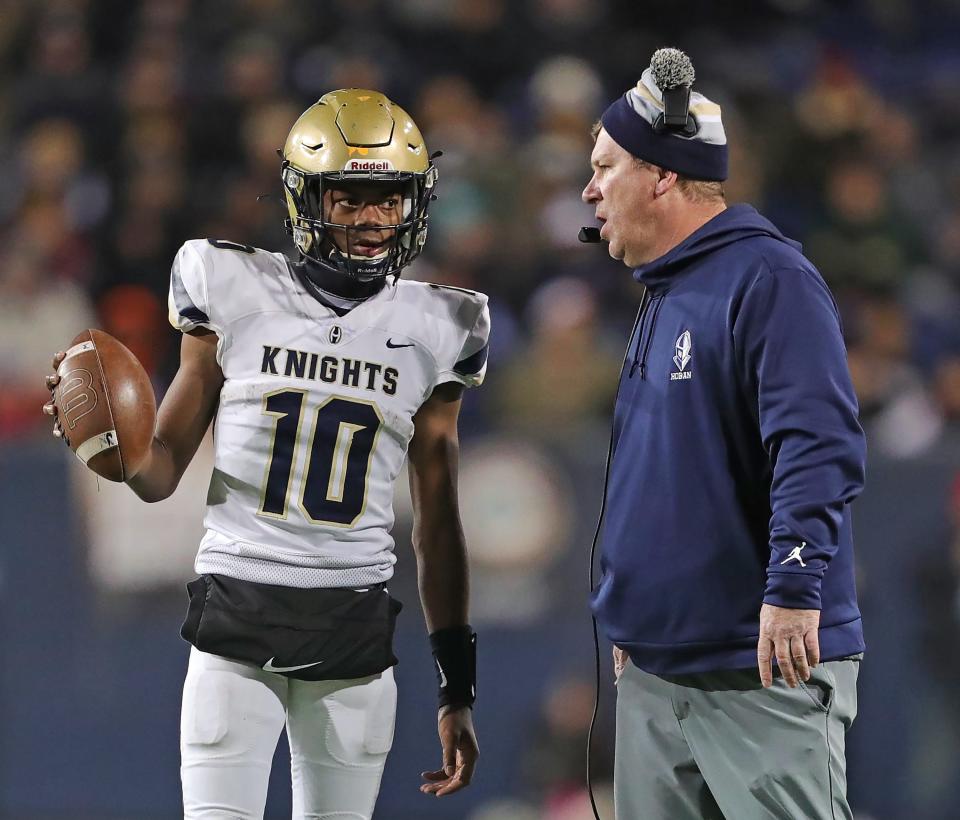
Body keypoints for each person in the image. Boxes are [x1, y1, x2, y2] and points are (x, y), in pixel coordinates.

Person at [44, 89, 486, 819]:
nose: (373, 220)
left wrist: (457, 686)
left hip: (353, 632)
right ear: (305, 197)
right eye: (349, 198)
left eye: (390, 200)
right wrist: (112, 449)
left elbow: (438, 523)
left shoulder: (442, 324)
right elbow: (160, 475)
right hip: (237, 621)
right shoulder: (233, 285)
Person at [580, 49, 867, 819]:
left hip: (760, 664)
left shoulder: (768, 279)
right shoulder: (666, 291)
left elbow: (818, 443)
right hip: (658, 669)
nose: (589, 189)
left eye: (606, 166)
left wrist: (795, 587)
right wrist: (635, 608)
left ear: (663, 174)